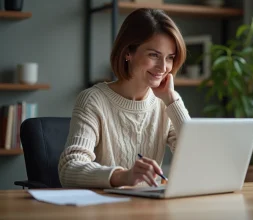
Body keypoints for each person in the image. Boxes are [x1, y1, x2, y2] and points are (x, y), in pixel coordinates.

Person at [58, 8, 191, 189]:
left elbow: (197, 157)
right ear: (128, 52)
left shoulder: (167, 103)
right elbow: (69, 168)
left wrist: (172, 101)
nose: (163, 67)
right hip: (105, 210)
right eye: (154, 55)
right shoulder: (93, 100)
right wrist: (122, 176)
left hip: (151, 210)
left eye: (170, 58)